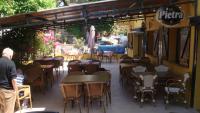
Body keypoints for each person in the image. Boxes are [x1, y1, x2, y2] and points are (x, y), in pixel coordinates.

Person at [0, 48, 18, 113]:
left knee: (2, 110)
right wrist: (16, 91)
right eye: (12, 56)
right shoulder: (11, 63)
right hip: (8, 92)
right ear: (10, 55)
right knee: (8, 111)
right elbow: (14, 80)